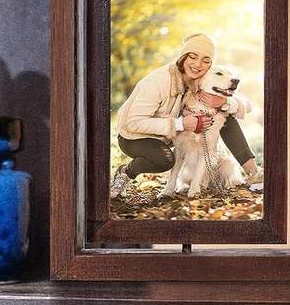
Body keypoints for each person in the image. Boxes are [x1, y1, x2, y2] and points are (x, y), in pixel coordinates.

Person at [110, 32, 259, 199]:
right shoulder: (157, 81)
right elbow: (134, 123)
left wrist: (224, 103)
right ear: (182, 57)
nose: (198, 64)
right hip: (134, 137)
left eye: (206, 60)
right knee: (165, 159)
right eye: (192, 57)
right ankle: (126, 172)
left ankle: (253, 173)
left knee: (225, 114)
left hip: (166, 135)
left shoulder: (200, 79)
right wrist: (181, 124)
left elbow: (246, 104)